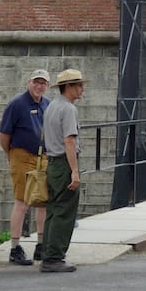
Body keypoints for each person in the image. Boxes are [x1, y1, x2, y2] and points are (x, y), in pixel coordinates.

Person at [0, 68, 50, 266]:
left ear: (47, 85)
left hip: (41, 155)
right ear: (29, 82)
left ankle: (41, 245)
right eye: (36, 82)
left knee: (43, 200)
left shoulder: (47, 104)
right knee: (22, 200)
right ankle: (15, 247)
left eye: (43, 83)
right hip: (21, 154)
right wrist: (11, 155)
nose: (39, 86)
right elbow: (4, 135)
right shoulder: (17, 104)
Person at [40, 68, 86, 273]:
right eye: (78, 85)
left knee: (53, 209)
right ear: (68, 87)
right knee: (64, 211)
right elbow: (69, 140)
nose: (81, 89)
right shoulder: (68, 109)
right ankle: (54, 257)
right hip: (63, 162)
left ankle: (47, 253)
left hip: (52, 162)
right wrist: (74, 171)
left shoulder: (51, 106)